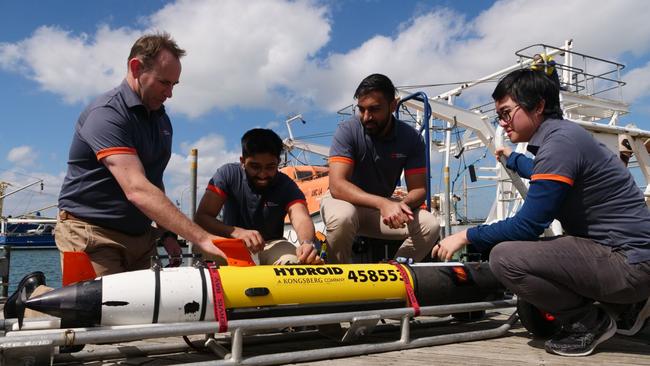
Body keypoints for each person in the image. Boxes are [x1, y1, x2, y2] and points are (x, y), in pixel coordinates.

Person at [432, 68, 650, 357]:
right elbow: (543, 173)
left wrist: (465, 235)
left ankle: (588, 322)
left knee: (505, 257)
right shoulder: (565, 137)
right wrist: (514, 160)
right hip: (633, 258)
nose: (503, 122)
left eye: (507, 113)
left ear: (538, 106)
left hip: (629, 265)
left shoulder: (559, 144)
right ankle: (625, 306)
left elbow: (528, 225)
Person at [55, 32, 227, 276]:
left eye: (174, 84)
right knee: (101, 312)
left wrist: (167, 232)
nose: (170, 94)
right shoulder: (106, 114)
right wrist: (202, 238)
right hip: (93, 235)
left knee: (144, 313)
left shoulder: (161, 120)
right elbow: (137, 188)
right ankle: (28, 305)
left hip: (141, 239)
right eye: (163, 82)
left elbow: (153, 182)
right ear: (135, 68)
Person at [320, 73, 440, 264]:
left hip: (378, 210)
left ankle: (396, 273)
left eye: (374, 109)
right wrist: (383, 204)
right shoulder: (347, 130)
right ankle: (335, 277)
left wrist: (402, 205)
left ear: (393, 105)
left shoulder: (411, 138)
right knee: (343, 218)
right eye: (361, 109)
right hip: (344, 202)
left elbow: (419, 190)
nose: (366, 117)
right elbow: (337, 185)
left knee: (430, 225)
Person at [194, 128, 322, 265]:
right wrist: (235, 232)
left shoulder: (286, 184)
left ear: (278, 162)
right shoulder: (227, 174)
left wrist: (307, 243)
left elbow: (301, 217)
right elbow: (202, 217)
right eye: (255, 167)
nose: (262, 174)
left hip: (272, 244)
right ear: (242, 161)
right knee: (203, 250)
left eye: (270, 167)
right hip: (231, 243)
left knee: (292, 261)